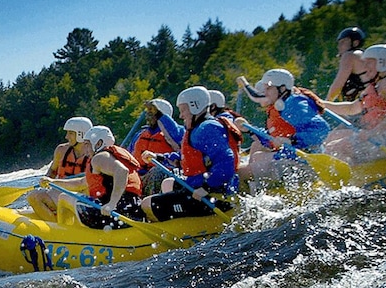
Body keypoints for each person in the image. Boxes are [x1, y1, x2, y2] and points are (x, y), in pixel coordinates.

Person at [141, 86, 239, 222]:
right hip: (200, 187)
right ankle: (177, 220)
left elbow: (226, 161)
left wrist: (207, 187)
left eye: (183, 110)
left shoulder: (207, 128)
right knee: (168, 183)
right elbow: (186, 159)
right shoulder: (199, 128)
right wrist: (159, 157)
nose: (181, 115)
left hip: (213, 195)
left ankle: (171, 229)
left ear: (195, 107)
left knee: (147, 204)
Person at [321, 44, 386, 164]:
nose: (365, 67)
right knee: (331, 137)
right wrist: (319, 103)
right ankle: (353, 172)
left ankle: (349, 178)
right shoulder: (375, 85)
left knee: (335, 146)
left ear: (382, 62)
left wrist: (373, 132)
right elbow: (351, 108)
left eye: (369, 63)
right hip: (377, 136)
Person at [235, 69, 330, 183]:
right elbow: (272, 139)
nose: (265, 92)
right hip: (292, 158)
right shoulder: (283, 106)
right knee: (257, 156)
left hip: (303, 162)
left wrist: (293, 140)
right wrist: (250, 130)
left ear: (282, 88)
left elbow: (321, 128)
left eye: (269, 87)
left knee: (245, 170)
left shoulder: (294, 103)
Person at [41, 126, 144, 229]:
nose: (84, 148)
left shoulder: (99, 157)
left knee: (64, 198)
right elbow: (81, 183)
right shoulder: (107, 158)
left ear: (98, 144)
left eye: (87, 144)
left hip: (115, 213)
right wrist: (53, 181)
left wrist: (112, 203)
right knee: (66, 196)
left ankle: (63, 233)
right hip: (130, 211)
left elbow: (122, 171)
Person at [27, 116, 93, 221]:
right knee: (33, 196)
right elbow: (53, 171)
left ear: (81, 134)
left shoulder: (94, 154)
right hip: (59, 191)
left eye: (71, 133)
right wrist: (47, 180)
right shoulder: (61, 150)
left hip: (82, 195)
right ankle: (55, 226)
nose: (67, 136)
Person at [127, 99, 181, 196]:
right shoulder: (140, 134)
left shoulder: (173, 135)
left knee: (158, 171)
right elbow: (128, 155)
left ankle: (152, 202)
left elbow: (180, 143)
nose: (147, 117)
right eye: (147, 113)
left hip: (159, 178)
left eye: (151, 114)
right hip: (136, 177)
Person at [326, 27, 367, 102]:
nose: (339, 46)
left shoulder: (349, 55)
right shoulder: (362, 55)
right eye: (339, 43)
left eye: (343, 42)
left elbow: (338, 84)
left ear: (355, 43)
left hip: (364, 105)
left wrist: (326, 103)